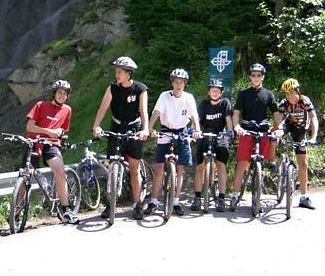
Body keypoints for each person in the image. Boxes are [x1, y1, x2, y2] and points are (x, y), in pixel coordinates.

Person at [92, 56, 150, 220]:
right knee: (112, 166)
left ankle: (137, 204)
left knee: (134, 168)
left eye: (119, 72)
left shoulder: (140, 89)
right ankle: (110, 204)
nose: (116, 74)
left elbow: (144, 111)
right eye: (116, 71)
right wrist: (96, 125)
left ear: (128, 73)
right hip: (116, 125)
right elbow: (103, 107)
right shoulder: (112, 88)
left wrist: (145, 129)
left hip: (134, 127)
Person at [144, 68, 201, 216]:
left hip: (182, 131)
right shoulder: (165, 96)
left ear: (185, 84)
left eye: (181, 82)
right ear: (172, 83)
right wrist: (149, 128)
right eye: (176, 82)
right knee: (159, 169)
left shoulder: (188, 98)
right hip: (165, 130)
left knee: (180, 170)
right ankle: (153, 202)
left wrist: (197, 129)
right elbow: (156, 112)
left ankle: (176, 202)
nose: (178, 85)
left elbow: (194, 115)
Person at [228, 63, 283, 211]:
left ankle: (267, 179)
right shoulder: (243, 93)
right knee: (242, 164)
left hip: (263, 131)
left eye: (259, 75)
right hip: (246, 131)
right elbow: (237, 112)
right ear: (250, 77)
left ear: (263, 77)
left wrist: (280, 128)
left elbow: (276, 113)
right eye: (253, 75)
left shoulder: (268, 94)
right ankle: (234, 196)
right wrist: (237, 126)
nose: (256, 78)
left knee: (265, 157)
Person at [25, 80, 78, 224]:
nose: (62, 95)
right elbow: (30, 127)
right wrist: (49, 131)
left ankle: (67, 210)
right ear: (53, 93)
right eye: (59, 92)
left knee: (60, 171)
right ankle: (16, 212)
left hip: (51, 144)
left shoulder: (67, 110)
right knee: (26, 176)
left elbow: (64, 129)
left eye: (65, 93)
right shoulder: (40, 105)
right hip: (34, 142)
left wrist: (61, 132)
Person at [274, 78, 319, 210]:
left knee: (303, 164)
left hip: (300, 130)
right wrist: (279, 131)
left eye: (292, 93)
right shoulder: (284, 103)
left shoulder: (305, 101)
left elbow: (313, 118)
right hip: (288, 126)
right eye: (287, 94)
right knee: (275, 134)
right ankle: (275, 164)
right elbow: (279, 120)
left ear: (298, 91)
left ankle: (304, 197)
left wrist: (314, 136)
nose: (290, 96)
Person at [190, 78, 234, 213]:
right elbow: (196, 120)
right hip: (205, 135)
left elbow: (228, 119)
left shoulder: (225, 103)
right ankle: (197, 198)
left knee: (221, 167)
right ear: (209, 92)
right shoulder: (204, 104)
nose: (215, 93)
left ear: (221, 92)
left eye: (217, 91)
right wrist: (194, 131)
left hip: (220, 135)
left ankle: (221, 199)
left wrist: (230, 132)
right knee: (199, 167)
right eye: (212, 91)